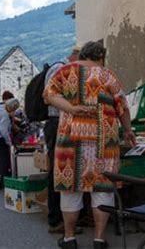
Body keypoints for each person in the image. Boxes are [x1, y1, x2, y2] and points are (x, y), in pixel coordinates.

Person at [44, 41, 136, 249]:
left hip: (70, 141)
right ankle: (99, 239)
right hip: (104, 142)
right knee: (103, 188)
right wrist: (128, 130)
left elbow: (48, 96)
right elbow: (123, 107)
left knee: (70, 189)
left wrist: (72, 108)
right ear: (101, 57)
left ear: (82, 55)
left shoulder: (65, 72)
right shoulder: (108, 75)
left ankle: (69, 239)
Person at [44, 45, 80, 234]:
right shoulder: (60, 69)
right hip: (57, 123)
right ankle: (56, 220)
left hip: (60, 122)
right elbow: (48, 97)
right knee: (58, 172)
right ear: (76, 55)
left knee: (63, 170)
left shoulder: (66, 69)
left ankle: (65, 218)